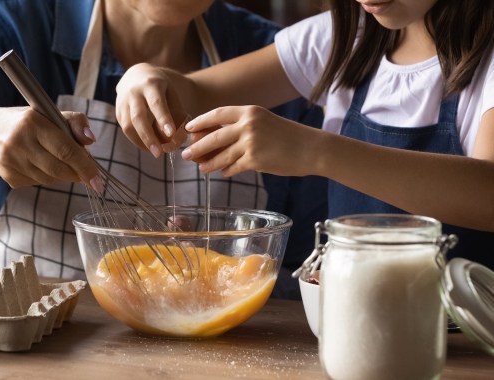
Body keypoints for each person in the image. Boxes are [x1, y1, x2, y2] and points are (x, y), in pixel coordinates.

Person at [0, 0, 326, 298]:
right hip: (30, 346)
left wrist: (221, 267)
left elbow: (311, 261)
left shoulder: (280, 63)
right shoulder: (9, 25)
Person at [115, 0, 494, 270]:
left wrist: (315, 151)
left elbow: (487, 194)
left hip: (466, 340)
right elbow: (196, 93)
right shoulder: (342, 38)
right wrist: (149, 79)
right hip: (348, 320)